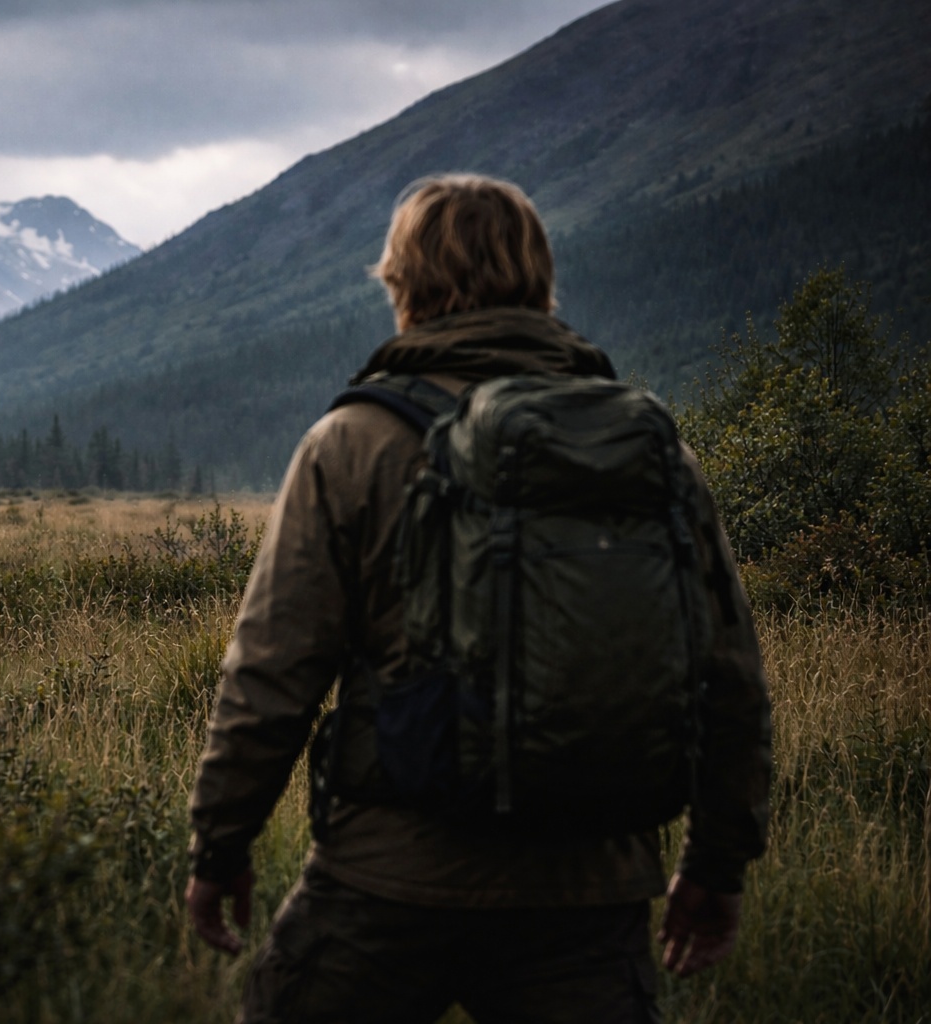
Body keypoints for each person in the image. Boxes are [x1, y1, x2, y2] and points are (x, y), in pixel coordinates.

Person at [184, 173, 772, 1023]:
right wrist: (717, 866)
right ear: (539, 280)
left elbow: (271, 675)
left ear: (404, 284)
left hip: (385, 882)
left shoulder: (352, 443)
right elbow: (730, 679)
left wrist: (219, 847)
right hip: (587, 891)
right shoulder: (650, 450)